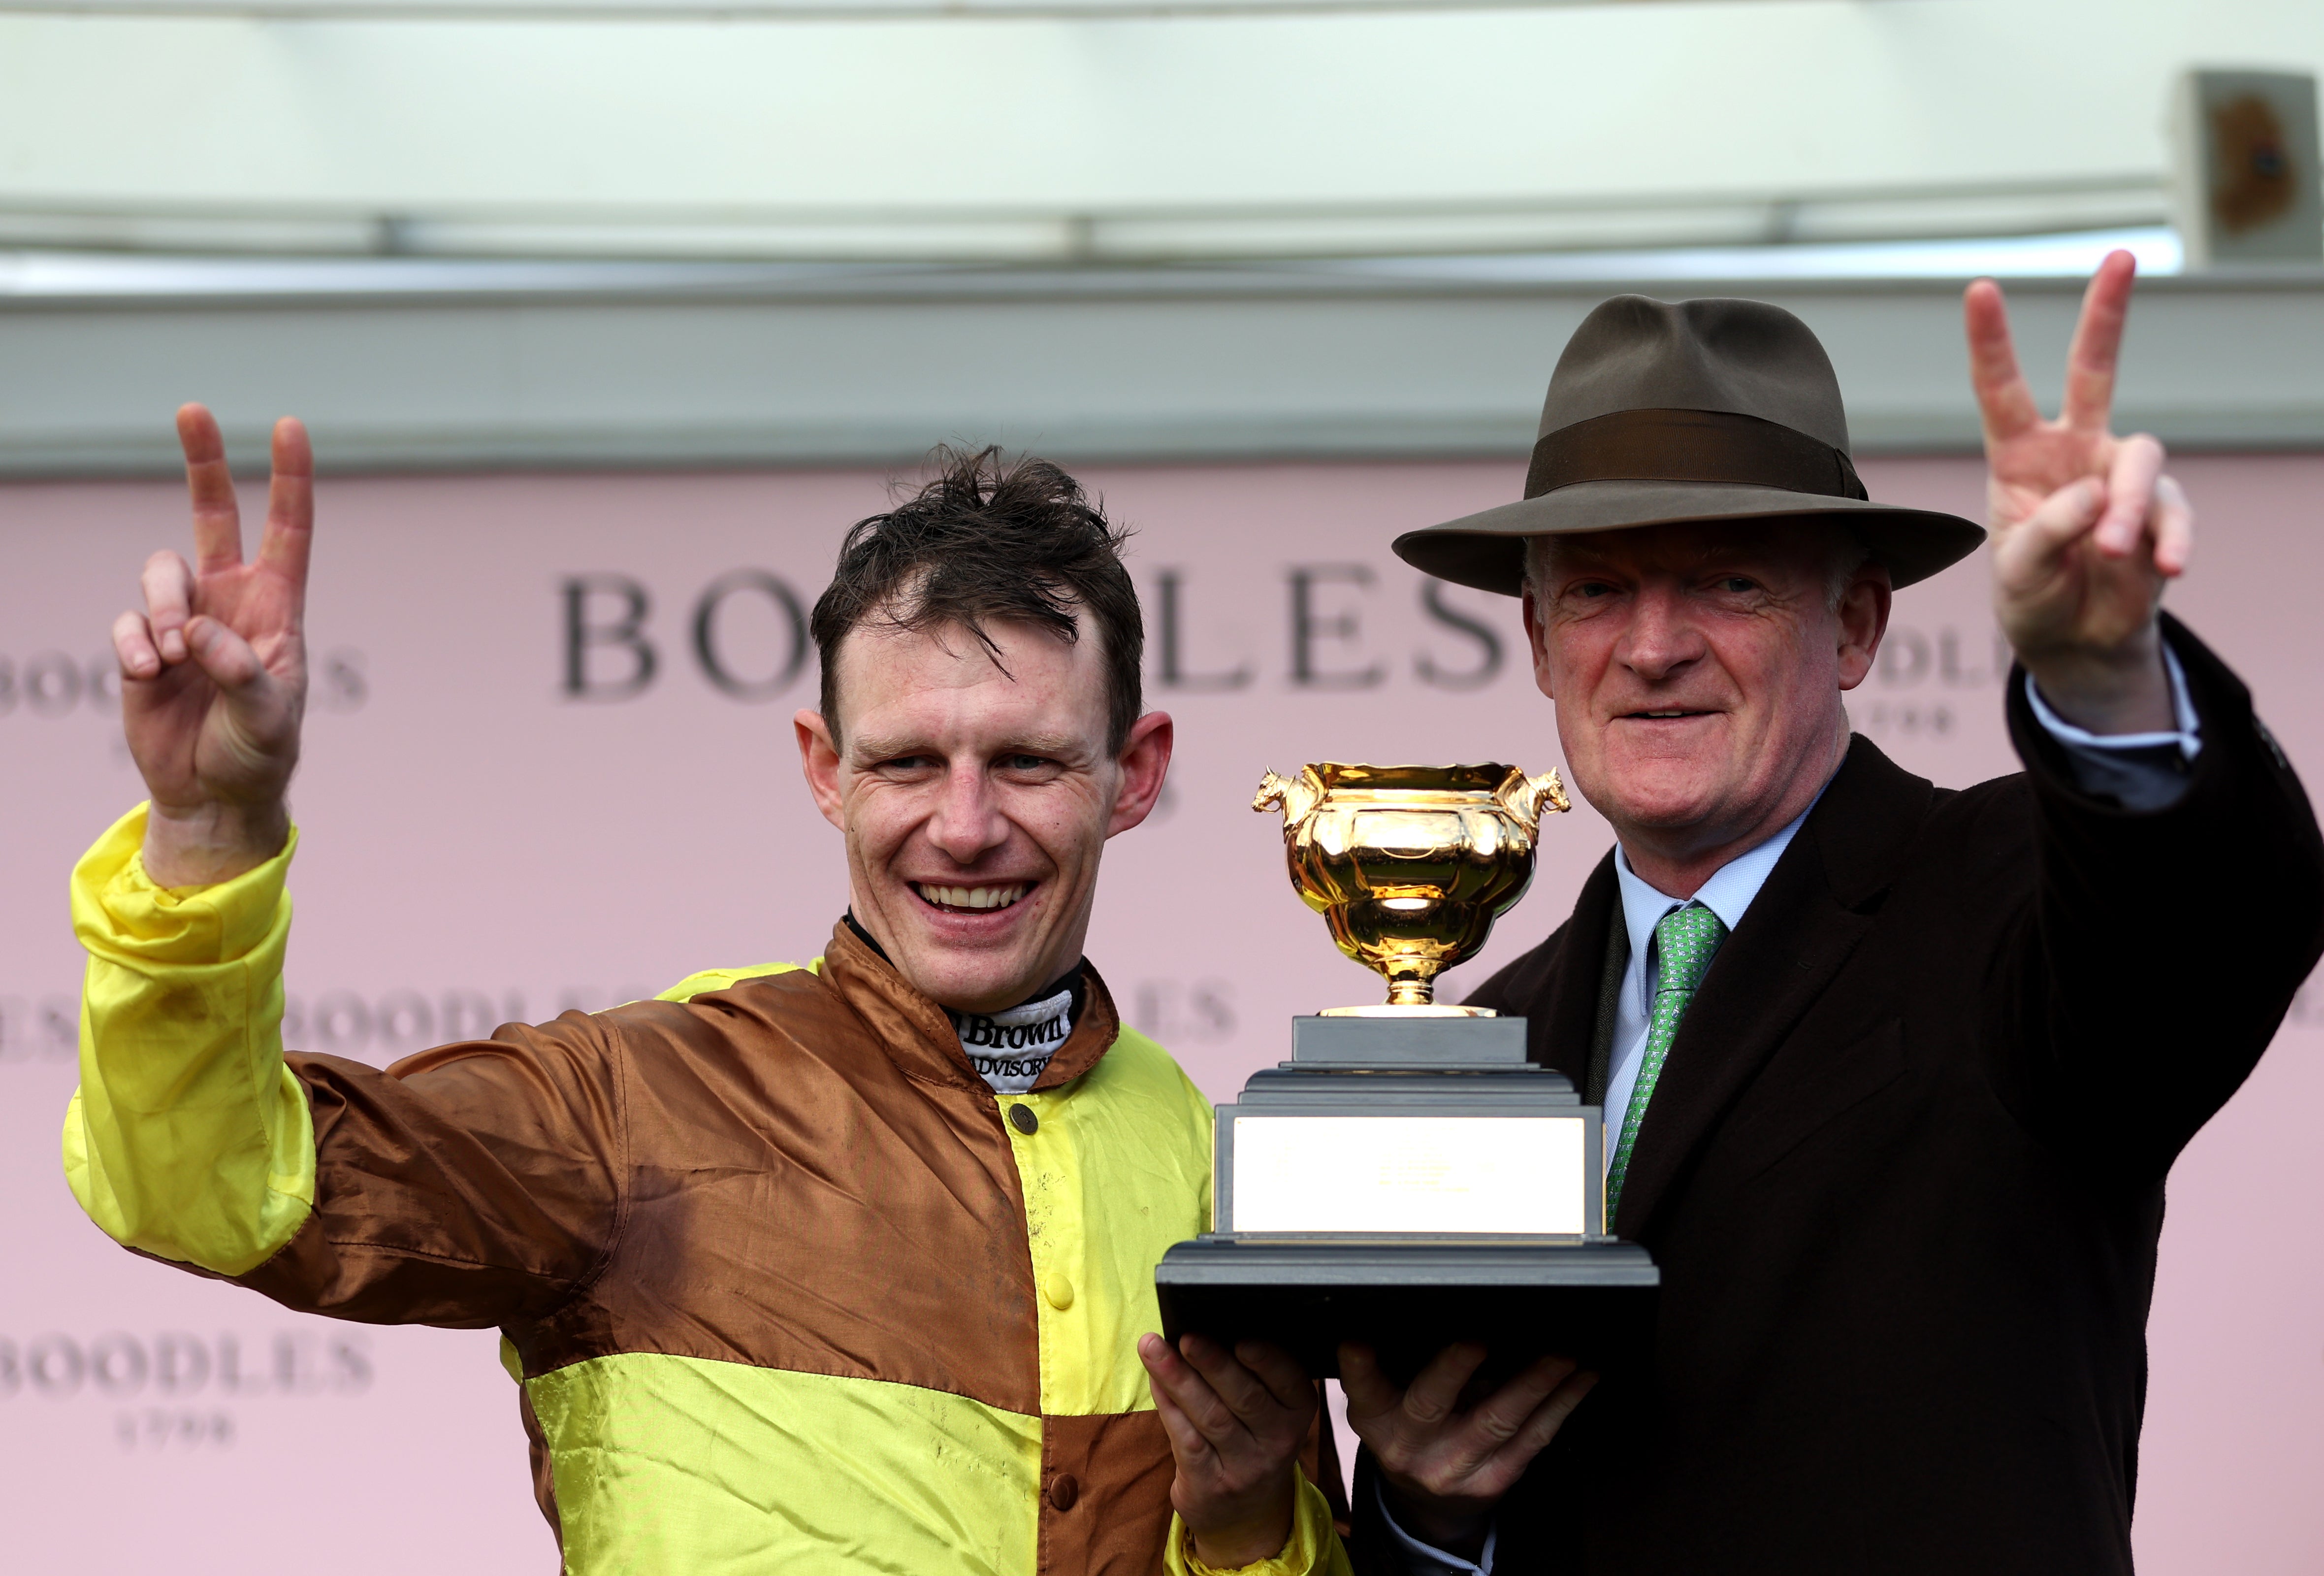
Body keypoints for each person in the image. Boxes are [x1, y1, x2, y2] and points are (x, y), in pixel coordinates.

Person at [63, 425, 1348, 1576]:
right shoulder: (636, 1105)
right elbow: (213, 1187)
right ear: (824, 770)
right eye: (908, 762)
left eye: (1025, 761)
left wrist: (1245, 1536)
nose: (965, 828)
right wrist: (209, 827)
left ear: (1136, 774)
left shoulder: (1202, 1152)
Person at [1332, 254, 2324, 1574]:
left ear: (1854, 625)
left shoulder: (2006, 902)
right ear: (1535, 641)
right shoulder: (1492, 1028)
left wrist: (2103, 673)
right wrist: (1427, 1517)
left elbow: (2214, 920)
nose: (1653, 644)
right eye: (1598, 590)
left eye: (1730, 583)